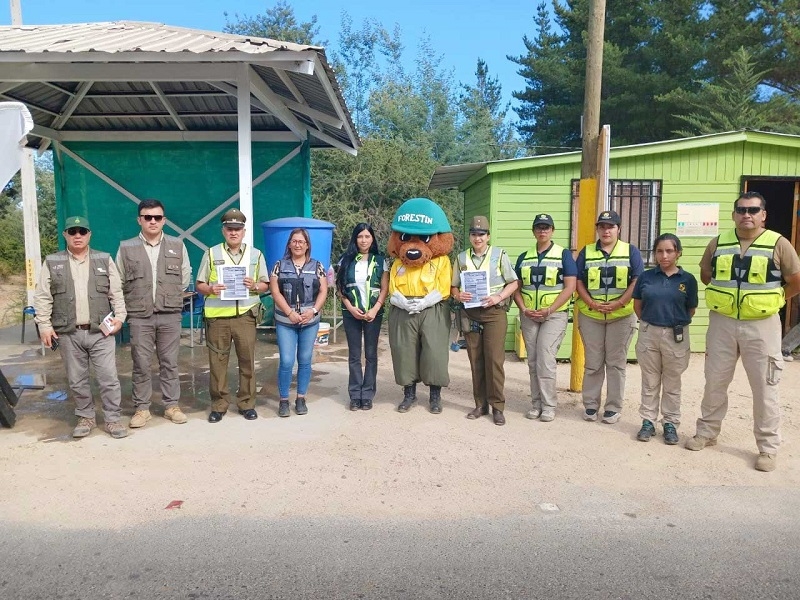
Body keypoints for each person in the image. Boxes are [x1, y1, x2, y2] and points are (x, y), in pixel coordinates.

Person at [687, 191, 800, 472]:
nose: (746, 215)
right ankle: (707, 433)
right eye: (741, 210)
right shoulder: (719, 242)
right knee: (714, 381)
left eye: (753, 210)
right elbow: (705, 274)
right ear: (734, 214)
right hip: (722, 322)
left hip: (761, 325)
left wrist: (774, 300)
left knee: (765, 388)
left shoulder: (779, 243)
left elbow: (795, 280)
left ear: (763, 214)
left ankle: (767, 448)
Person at [33, 216, 128, 439]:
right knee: (77, 379)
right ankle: (85, 418)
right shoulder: (53, 261)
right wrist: (45, 326)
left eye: (82, 231)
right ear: (65, 234)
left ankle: (113, 420)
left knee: (108, 378)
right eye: (72, 231)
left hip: (100, 332)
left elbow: (116, 293)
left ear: (89, 235)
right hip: (68, 332)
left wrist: (120, 317)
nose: (77, 235)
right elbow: (43, 297)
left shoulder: (104, 259)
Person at [116, 199, 192, 428]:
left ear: (164, 220)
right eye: (147, 217)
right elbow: (118, 279)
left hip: (169, 314)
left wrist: (167, 296)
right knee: (140, 362)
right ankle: (141, 409)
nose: (152, 221)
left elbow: (184, 276)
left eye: (157, 217)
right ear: (139, 219)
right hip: (140, 315)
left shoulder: (177, 245)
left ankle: (171, 406)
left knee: (169, 362)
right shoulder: (126, 247)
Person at [195, 208, 269, 423]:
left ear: (244, 231)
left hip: (246, 316)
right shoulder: (211, 253)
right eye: (230, 229)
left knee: (247, 361)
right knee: (217, 363)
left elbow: (265, 284)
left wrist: (255, 285)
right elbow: (200, 284)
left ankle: (247, 403)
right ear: (223, 230)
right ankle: (219, 405)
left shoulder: (255, 254)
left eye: (237, 229)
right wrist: (210, 289)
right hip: (217, 318)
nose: (233, 232)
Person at [575, 210, 644, 424]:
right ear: (597, 229)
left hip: (621, 316)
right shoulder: (586, 252)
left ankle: (613, 407)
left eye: (610, 226)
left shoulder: (630, 251)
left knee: (616, 363)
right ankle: (591, 405)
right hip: (591, 315)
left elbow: (637, 280)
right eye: (602, 226)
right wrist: (591, 303)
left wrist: (620, 302)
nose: (606, 230)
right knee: (593, 362)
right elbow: (577, 281)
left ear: (618, 229)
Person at [452, 215, 519, 426]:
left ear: (488, 236)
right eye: (474, 234)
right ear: (470, 237)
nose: (477, 238)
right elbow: (453, 286)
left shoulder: (499, 255)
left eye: (481, 234)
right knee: (475, 359)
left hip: (494, 313)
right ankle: (480, 404)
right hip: (471, 312)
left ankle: (497, 406)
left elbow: (514, 282)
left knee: (494, 360)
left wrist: (499, 297)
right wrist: (457, 295)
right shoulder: (461, 258)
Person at [632, 233, 698, 444]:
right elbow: (638, 305)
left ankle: (670, 423)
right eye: (659, 251)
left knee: (672, 381)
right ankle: (648, 422)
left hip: (675, 335)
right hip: (649, 332)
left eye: (669, 251)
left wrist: (672, 323)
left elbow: (691, 309)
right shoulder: (646, 277)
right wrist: (651, 324)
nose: (664, 255)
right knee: (649, 380)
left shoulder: (687, 280)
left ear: (678, 253)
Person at [513, 214, 577, 423]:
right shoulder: (524, 257)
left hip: (554, 315)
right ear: (533, 231)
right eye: (539, 228)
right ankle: (536, 404)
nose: (542, 231)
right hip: (530, 314)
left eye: (546, 227)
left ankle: (549, 406)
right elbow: (516, 288)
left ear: (552, 230)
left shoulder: (563, 255)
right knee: (533, 361)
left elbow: (570, 287)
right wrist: (523, 309)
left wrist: (550, 309)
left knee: (546, 358)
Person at [270, 228, 328, 417]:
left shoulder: (317, 266)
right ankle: (284, 400)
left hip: (309, 321)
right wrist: (289, 312)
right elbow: (275, 291)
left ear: (307, 245)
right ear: (289, 244)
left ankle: (301, 398)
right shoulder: (279, 265)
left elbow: (323, 291)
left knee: (305, 359)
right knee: (286, 360)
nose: (297, 245)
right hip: (285, 320)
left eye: (301, 242)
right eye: (294, 241)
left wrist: (313, 311)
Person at [336, 223, 388, 411]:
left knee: (371, 355)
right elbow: (340, 288)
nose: (363, 240)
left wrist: (375, 309)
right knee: (354, 355)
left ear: (372, 238)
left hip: (374, 313)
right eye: (360, 236)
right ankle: (355, 394)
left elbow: (384, 288)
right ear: (355, 239)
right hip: (351, 313)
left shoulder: (381, 260)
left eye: (367, 236)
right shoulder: (345, 260)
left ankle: (367, 394)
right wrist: (350, 307)